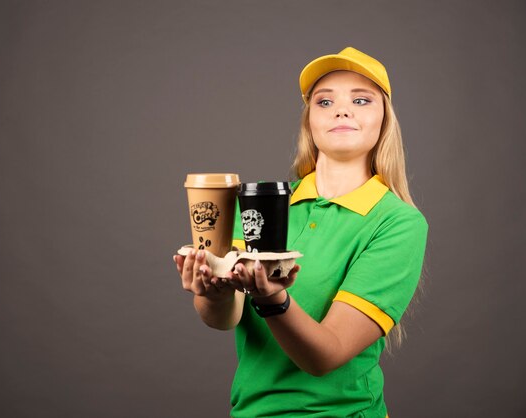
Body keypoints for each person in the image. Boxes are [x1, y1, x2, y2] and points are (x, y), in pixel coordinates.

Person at [173, 47, 428, 418]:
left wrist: (273, 300)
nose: (342, 110)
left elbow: (326, 355)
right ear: (310, 121)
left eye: (361, 100)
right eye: (325, 102)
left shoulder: (397, 222)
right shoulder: (259, 202)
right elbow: (222, 318)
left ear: (384, 120)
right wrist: (212, 290)